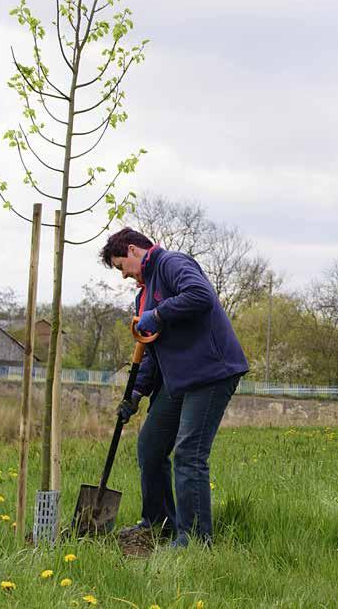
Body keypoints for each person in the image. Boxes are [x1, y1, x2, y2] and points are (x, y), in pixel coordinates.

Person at [100, 226, 249, 548]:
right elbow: (151, 351)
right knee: (150, 447)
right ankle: (158, 522)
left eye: (120, 267)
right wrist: (136, 393)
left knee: (189, 454)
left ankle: (194, 539)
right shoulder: (143, 295)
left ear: (132, 251)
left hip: (211, 371)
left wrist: (159, 313)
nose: (124, 276)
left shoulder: (171, 263)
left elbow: (200, 296)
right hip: (178, 379)